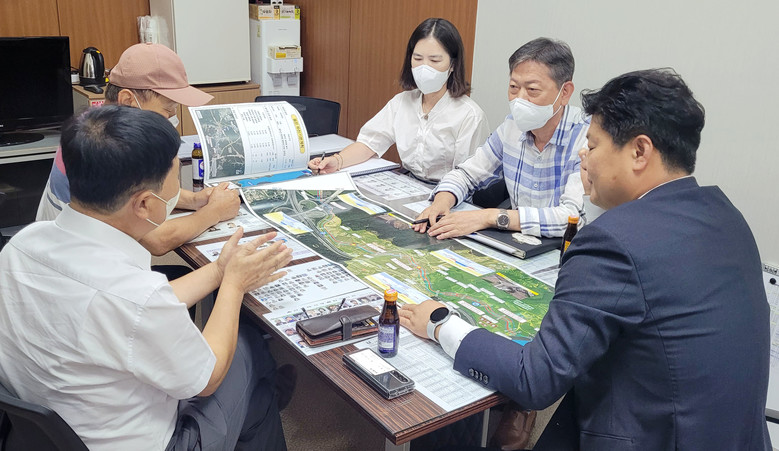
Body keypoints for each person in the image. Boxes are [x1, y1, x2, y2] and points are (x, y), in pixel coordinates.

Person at [400, 68, 771, 449]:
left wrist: (440, 324)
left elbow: (535, 379)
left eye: (592, 146)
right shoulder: (725, 215)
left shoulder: (614, 243)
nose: (583, 156)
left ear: (639, 152)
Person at [0, 106, 294, 450]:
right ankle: (261, 396)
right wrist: (234, 285)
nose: (177, 191)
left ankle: (259, 403)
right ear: (144, 204)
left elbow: (131, 307)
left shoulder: (21, 244)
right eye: (174, 179)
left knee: (257, 401)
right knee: (248, 346)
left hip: (50, 427)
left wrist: (219, 270)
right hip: (147, 441)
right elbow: (208, 379)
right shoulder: (135, 297)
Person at [36, 43, 240, 256]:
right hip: (75, 264)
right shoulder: (107, 148)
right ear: (128, 100)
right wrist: (214, 212)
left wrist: (194, 200)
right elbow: (156, 240)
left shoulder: (95, 124)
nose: (172, 120)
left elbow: (138, 188)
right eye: (167, 111)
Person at [413, 37, 589, 239]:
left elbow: (571, 218)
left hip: (568, 247)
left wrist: (490, 217)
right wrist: (442, 201)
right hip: (520, 241)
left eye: (532, 90)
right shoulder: (511, 127)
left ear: (565, 92)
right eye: (513, 87)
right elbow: (467, 174)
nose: (519, 99)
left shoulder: (586, 138)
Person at [308, 18, 489, 183]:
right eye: (417, 58)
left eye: (434, 60)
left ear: (453, 65)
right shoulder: (402, 102)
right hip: (409, 184)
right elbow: (369, 143)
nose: (424, 67)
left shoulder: (469, 115)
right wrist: (336, 161)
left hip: (451, 193)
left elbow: (467, 177)